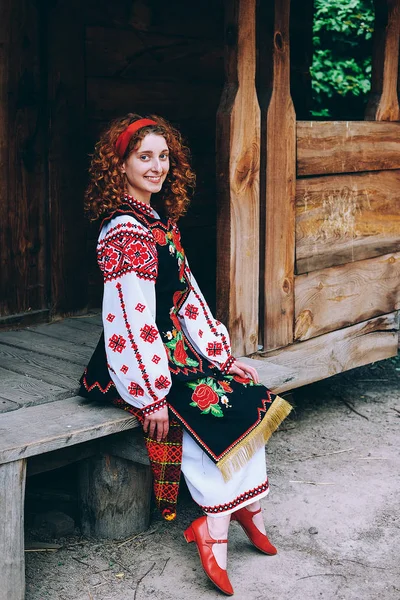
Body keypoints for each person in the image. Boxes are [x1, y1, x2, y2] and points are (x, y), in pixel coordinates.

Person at [80, 113, 292, 596]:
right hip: (135, 359)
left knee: (245, 393)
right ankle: (212, 528)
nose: (157, 167)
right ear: (120, 166)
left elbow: (188, 295)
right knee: (203, 408)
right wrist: (150, 394)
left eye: (164, 157)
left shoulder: (159, 222)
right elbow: (128, 321)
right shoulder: (123, 232)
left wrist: (219, 354)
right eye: (144, 157)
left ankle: (247, 509)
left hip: (173, 347)